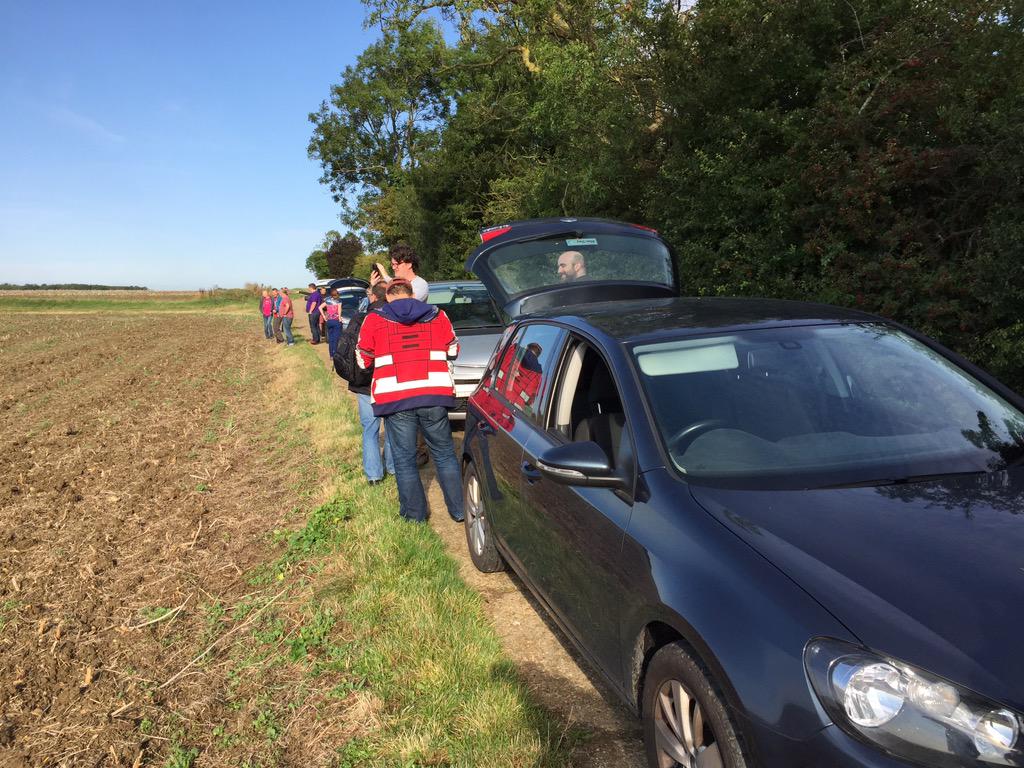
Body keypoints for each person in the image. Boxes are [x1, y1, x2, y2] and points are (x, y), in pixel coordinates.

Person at [357, 279, 463, 523]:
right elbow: (454, 351)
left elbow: (363, 360)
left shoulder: (373, 319)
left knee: (404, 459)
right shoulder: (438, 315)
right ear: (413, 294)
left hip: (395, 398)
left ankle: (414, 515)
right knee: (445, 454)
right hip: (434, 394)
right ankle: (459, 510)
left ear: (388, 297)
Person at [335, 282, 395, 484]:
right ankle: (394, 468)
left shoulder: (359, 319)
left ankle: (374, 476)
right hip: (390, 380)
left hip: (364, 382)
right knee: (392, 428)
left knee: (370, 429)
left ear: (372, 297)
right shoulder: (395, 318)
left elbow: (346, 349)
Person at [320, 287, 344, 357]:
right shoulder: (339, 301)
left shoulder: (327, 300)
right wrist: (339, 317)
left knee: (331, 339)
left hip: (329, 321)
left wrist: (324, 316)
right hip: (336, 321)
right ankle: (336, 354)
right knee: (336, 338)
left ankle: (331, 355)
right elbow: (339, 310)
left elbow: (320, 307)